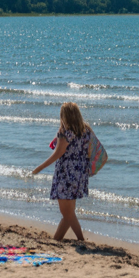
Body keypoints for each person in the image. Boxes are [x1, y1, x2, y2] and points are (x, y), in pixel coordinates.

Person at [31, 102, 93, 241]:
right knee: (69, 212)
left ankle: (81, 239)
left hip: (66, 174)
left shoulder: (65, 133)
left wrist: (38, 168)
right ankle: (57, 239)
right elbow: (91, 148)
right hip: (79, 173)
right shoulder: (86, 129)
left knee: (67, 213)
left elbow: (58, 153)